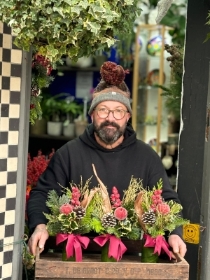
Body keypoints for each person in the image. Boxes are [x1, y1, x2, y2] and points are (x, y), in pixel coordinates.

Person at [27, 61, 187, 258]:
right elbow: (42, 193)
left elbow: (168, 200)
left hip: (132, 260)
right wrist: (39, 226)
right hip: (77, 259)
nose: (110, 118)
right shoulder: (69, 153)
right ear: (93, 114)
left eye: (118, 111)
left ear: (127, 116)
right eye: (103, 109)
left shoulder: (147, 157)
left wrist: (175, 234)